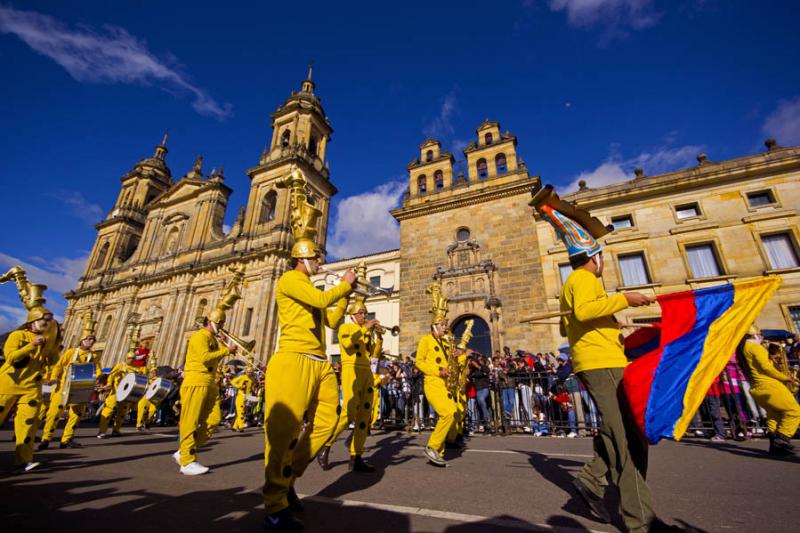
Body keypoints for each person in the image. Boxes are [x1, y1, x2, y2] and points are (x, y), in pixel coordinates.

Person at [532, 185, 676, 532]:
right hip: (600, 364)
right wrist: (624, 300)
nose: (603, 262)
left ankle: (592, 480)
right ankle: (641, 520)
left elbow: (573, 327)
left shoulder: (581, 283)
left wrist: (612, 322)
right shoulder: (583, 279)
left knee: (626, 433)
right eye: (602, 257)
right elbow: (583, 312)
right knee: (626, 439)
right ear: (593, 256)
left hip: (605, 359)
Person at [262, 167, 356, 531]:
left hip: (318, 362)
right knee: (282, 432)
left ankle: (288, 481)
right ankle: (273, 503)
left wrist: (346, 297)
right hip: (293, 359)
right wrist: (343, 286)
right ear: (303, 257)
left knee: (328, 422)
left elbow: (331, 320)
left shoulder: (310, 287)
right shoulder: (291, 279)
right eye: (317, 257)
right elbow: (321, 297)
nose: (322, 261)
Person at [172, 269, 241, 475]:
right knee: (190, 421)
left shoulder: (212, 339)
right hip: (195, 381)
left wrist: (222, 349)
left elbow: (213, 357)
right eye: (220, 323)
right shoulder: (199, 337)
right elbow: (204, 358)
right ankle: (187, 460)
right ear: (211, 321)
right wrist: (225, 350)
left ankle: (185, 450)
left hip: (210, 382)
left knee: (214, 420)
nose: (222, 326)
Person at [317, 261, 382, 473]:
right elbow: (348, 344)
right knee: (348, 413)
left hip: (366, 372)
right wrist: (364, 330)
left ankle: (357, 455)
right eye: (362, 313)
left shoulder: (363, 330)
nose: (365, 316)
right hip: (351, 370)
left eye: (365, 313)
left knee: (364, 416)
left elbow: (373, 354)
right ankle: (326, 445)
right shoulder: (346, 327)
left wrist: (378, 337)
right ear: (353, 314)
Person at [0, 268, 61, 473]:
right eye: (42, 320)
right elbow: (11, 358)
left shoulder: (45, 340)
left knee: (28, 423)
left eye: (48, 321)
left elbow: (51, 361)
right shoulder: (17, 337)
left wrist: (54, 348)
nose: (46, 323)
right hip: (8, 383)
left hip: (31, 386)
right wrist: (31, 345)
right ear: (31, 322)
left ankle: (24, 459)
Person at [414, 279, 459, 467]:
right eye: (442, 325)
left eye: (445, 325)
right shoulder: (425, 340)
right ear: (434, 326)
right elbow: (418, 362)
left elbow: (450, 363)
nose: (445, 327)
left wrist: (457, 357)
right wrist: (438, 370)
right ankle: (432, 446)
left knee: (452, 412)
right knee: (448, 412)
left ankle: (438, 451)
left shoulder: (446, 343)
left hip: (444, 384)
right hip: (432, 382)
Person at [40, 311, 101, 449]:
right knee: (54, 414)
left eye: (93, 340)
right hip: (63, 386)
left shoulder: (94, 357)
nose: (90, 342)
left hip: (80, 388)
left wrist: (97, 377)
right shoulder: (70, 352)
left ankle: (66, 439)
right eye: (88, 339)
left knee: (76, 415)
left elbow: (97, 369)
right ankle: (45, 438)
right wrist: (54, 378)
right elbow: (59, 366)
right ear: (82, 340)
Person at [737, 326, 800, 457]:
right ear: (754, 334)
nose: (762, 336)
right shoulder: (755, 347)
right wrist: (785, 377)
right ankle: (781, 440)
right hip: (768, 385)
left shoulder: (743, 348)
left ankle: (775, 447)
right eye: (760, 333)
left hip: (757, 387)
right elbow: (765, 367)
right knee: (794, 411)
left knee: (775, 415)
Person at [97, 329, 147, 439]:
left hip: (128, 393)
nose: (131, 360)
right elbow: (111, 375)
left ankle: (116, 430)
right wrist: (109, 384)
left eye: (133, 358)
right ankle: (102, 431)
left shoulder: (136, 369)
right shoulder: (120, 366)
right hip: (116, 391)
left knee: (122, 413)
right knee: (108, 410)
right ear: (126, 358)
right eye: (130, 358)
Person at [230, 367, 256, 432]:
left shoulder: (252, 378)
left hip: (247, 397)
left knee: (243, 411)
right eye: (248, 372)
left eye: (250, 372)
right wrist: (239, 386)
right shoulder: (242, 377)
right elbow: (233, 382)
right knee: (241, 411)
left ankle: (235, 426)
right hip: (240, 396)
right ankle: (241, 426)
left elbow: (252, 386)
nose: (249, 373)